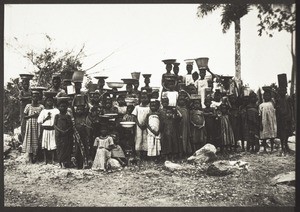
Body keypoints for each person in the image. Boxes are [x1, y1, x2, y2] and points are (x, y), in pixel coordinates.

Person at [37, 92, 60, 164]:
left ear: (53, 102)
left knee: (53, 145)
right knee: (45, 145)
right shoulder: (43, 111)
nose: (49, 102)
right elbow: (39, 121)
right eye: (48, 101)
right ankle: (45, 160)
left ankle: (53, 159)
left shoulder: (56, 110)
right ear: (46, 102)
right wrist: (46, 118)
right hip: (45, 130)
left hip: (52, 129)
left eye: (51, 101)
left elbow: (58, 119)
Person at [22, 91, 44, 163]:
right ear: (31, 97)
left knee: (37, 139)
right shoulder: (28, 106)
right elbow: (24, 117)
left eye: (37, 96)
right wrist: (32, 116)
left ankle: (36, 156)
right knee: (30, 139)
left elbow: (43, 116)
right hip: (30, 125)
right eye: (34, 96)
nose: (35, 98)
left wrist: (38, 116)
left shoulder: (41, 107)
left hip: (38, 124)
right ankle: (30, 156)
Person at [54, 97, 73, 168]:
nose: (63, 108)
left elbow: (71, 125)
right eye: (61, 106)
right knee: (60, 148)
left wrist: (67, 130)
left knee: (67, 148)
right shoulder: (57, 116)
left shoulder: (68, 116)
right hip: (59, 135)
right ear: (58, 107)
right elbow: (55, 125)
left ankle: (67, 162)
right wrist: (60, 131)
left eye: (64, 106)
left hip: (67, 135)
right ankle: (61, 162)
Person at [131, 91, 151, 161]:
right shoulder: (137, 107)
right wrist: (139, 124)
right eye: (142, 98)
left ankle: (145, 155)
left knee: (146, 138)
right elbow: (134, 116)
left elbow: (149, 117)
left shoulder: (149, 108)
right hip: (138, 126)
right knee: (138, 138)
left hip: (146, 126)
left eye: (145, 98)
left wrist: (145, 124)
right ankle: (138, 155)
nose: (144, 99)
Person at [275, 87, 293, 155]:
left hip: (287, 117)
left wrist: (291, 117)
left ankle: (286, 144)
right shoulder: (278, 99)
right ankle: (283, 146)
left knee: (287, 132)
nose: (283, 92)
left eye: (284, 90)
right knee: (282, 133)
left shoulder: (288, 98)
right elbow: (277, 109)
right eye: (281, 90)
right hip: (280, 118)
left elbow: (291, 108)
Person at [19, 75, 32, 142]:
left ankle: (29, 140)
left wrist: (29, 98)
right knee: (23, 123)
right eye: (25, 84)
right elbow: (21, 98)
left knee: (29, 122)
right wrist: (28, 98)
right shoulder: (21, 91)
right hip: (23, 108)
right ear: (22, 84)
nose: (26, 85)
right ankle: (23, 140)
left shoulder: (30, 91)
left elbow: (33, 98)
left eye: (27, 84)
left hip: (30, 108)